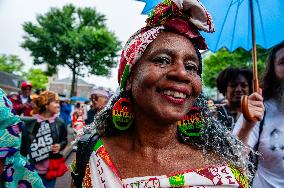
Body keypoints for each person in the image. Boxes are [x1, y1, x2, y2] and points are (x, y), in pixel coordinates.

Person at [69, 1, 263, 187]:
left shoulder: (224, 170)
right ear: (129, 78)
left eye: (191, 66)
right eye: (162, 60)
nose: (181, 73)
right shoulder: (90, 156)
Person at [233, 41, 284, 187]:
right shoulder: (258, 110)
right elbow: (232, 161)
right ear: (272, 71)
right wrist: (247, 127)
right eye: (283, 62)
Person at [20, 91, 68, 188]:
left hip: (50, 171)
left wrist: (60, 146)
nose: (58, 105)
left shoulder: (60, 123)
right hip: (31, 169)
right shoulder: (30, 123)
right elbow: (23, 147)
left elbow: (64, 140)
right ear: (46, 104)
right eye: (55, 102)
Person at [0, 88, 44, 187]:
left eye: (30, 89)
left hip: (21, 137)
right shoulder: (15, 99)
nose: (28, 90)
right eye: (26, 89)